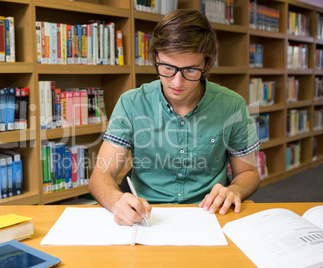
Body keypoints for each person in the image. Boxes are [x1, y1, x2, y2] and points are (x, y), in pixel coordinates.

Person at [88, 9, 261, 226]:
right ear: (155, 58)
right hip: (146, 217)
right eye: (168, 68)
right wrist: (116, 201)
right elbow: (100, 177)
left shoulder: (232, 105)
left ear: (206, 64)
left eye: (190, 70)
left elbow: (248, 172)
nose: (177, 83)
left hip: (209, 216)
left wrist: (234, 189)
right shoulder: (131, 103)